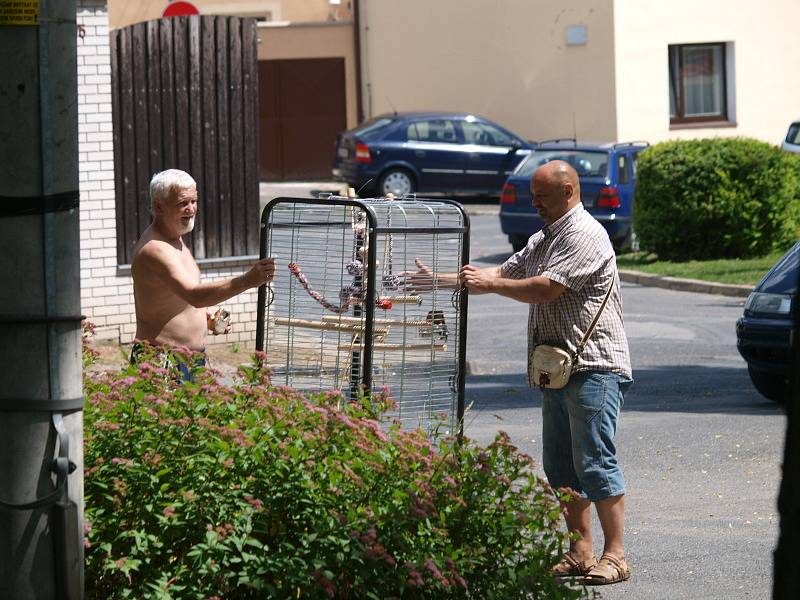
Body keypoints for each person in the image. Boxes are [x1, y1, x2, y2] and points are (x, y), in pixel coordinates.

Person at [407, 160, 632, 585]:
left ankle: (616, 555)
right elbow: (502, 273)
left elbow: (547, 288)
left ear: (568, 192)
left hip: (594, 367)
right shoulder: (545, 236)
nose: (534, 205)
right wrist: (438, 280)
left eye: (541, 197)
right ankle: (581, 552)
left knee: (595, 462)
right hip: (559, 369)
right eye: (533, 197)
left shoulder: (585, 234)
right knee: (562, 466)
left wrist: (490, 286)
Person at [131, 169, 275, 377]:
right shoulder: (155, 249)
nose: (191, 209)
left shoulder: (175, 239)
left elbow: (179, 299)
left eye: (194, 201)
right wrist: (247, 280)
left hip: (190, 359)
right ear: (158, 206)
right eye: (182, 203)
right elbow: (194, 295)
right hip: (161, 359)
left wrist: (205, 317)